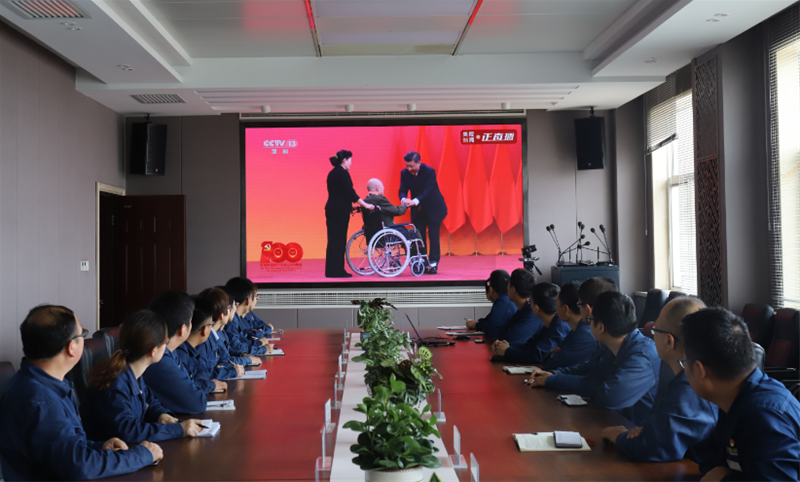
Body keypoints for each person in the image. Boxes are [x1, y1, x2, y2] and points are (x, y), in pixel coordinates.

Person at [0, 305, 162, 480]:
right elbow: (79, 465)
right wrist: (142, 454)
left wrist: (99, 447)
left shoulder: (44, 383)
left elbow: (63, 449)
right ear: (72, 347)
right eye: (82, 335)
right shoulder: (42, 402)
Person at [681, 308, 800, 481]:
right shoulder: (733, 399)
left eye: (684, 362)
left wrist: (724, 479)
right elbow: (708, 456)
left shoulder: (763, 416)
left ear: (700, 370)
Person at [601, 297, 718, 462]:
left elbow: (655, 446)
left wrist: (619, 436)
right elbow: (657, 429)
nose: (652, 335)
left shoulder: (692, 387)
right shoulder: (684, 377)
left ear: (669, 341)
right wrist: (646, 431)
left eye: (655, 329)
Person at [530, 291, 660, 425]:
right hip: (615, 422)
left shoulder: (641, 356)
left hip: (635, 429)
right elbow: (592, 371)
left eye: (590, 320)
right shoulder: (615, 345)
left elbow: (609, 397)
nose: (586, 323)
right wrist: (554, 375)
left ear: (601, 327)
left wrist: (556, 380)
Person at [80, 310, 205, 444]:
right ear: (153, 351)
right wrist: (178, 430)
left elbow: (150, 402)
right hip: (113, 451)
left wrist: (160, 415)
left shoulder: (135, 373)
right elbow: (128, 432)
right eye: (166, 341)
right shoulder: (115, 384)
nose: (167, 346)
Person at [141, 290, 208, 414]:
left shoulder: (172, 351)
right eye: (191, 321)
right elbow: (197, 403)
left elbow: (191, 383)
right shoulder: (158, 359)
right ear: (183, 329)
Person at [325, 149, 374, 278]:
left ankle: (330, 270)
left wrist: (349, 206)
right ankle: (337, 270)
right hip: (339, 211)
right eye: (350, 160)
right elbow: (350, 193)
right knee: (339, 240)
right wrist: (365, 205)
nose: (351, 163)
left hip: (332, 209)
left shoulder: (332, 173)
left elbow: (338, 194)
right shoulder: (342, 173)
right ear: (345, 160)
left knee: (332, 239)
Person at [492, 282, 570, 363]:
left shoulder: (559, 327)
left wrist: (507, 351)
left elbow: (538, 355)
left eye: (530, 301)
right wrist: (504, 347)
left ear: (536, 308)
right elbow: (530, 347)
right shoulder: (551, 323)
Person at [398, 151, 448, 274]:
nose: (409, 169)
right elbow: (402, 189)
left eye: (411, 166)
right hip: (418, 211)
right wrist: (404, 199)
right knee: (419, 237)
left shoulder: (429, 172)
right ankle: (422, 262)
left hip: (434, 209)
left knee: (433, 236)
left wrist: (414, 201)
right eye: (407, 166)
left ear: (419, 163)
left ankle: (434, 263)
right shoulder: (404, 173)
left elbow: (428, 191)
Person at [542, 281, 598, 371]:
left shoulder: (584, 334)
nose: (555, 308)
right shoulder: (575, 330)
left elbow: (550, 364)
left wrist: (553, 354)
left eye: (557, 303)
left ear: (566, 308)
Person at [175, 299, 227, 394]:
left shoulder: (193, 351)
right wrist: (210, 385)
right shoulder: (180, 353)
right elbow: (186, 389)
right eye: (211, 325)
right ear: (204, 329)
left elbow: (202, 375)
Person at [195, 287, 246, 380]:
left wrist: (223, 368)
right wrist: (227, 371)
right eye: (230, 307)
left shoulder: (216, 334)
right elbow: (200, 376)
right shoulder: (203, 340)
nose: (234, 309)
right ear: (222, 314)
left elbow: (224, 359)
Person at [492, 269, 542, 345]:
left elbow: (511, 340)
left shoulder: (533, 312)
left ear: (513, 289)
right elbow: (502, 332)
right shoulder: (523, 309)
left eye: (508, 284)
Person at [225, 277, 271, 355]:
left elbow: (243, 341)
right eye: (255, 296)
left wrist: (258, 343)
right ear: (248, 300)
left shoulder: (238, 318)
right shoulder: (231, 320)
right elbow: (237, 348)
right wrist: (262, 348)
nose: (256, 299)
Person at [465, 270, 516, 337]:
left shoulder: (502, 302)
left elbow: (491, 329)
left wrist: (475, 325)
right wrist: (478, 323)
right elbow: (490, 320)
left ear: (491, 289)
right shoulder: (510, 299)